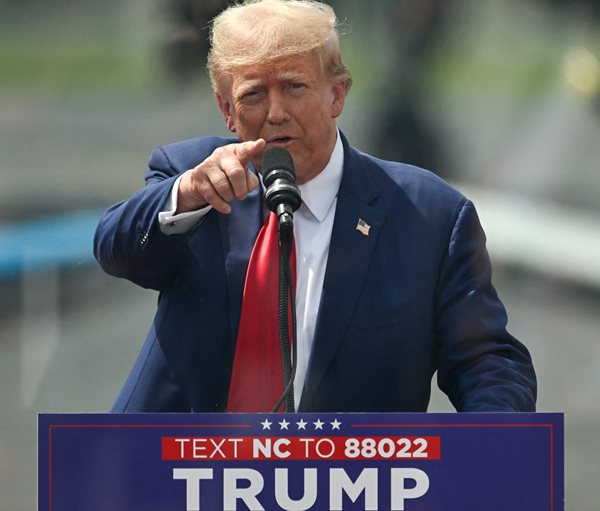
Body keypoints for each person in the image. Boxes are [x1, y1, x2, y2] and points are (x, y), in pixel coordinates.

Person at [94, 0, 536, 413]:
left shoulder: (428, 215)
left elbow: (486, 361)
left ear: (337, 94)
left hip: (345, 467)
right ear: (227, 110)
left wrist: (492, 439)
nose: (276, 112)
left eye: (294, 87)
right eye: (253, 95)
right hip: (176, 465)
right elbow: (116, 249)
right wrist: (186, 193)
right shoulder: (192, 175)